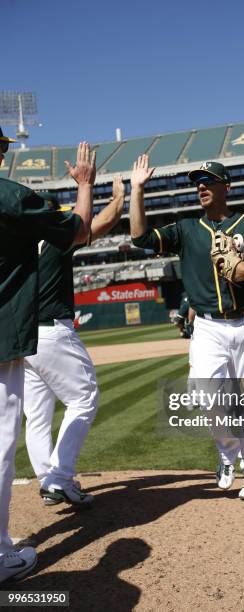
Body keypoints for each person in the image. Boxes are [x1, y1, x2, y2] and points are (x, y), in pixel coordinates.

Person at [130, 156, 244, 501]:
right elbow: (139, 237)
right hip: (208, 327)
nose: (201, 186)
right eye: (197, 182)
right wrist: (138, 189)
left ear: (226, 187)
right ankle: (228, 451)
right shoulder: (186, 230)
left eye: (208, 180)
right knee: (205, 395)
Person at [0, 133, 93, 584]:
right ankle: (0, 555)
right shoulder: (10, 197)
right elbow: (79, 229)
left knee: (31, 423)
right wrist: (85, 185)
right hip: (5, 337)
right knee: (1, 443)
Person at [23, 176, 125, 507]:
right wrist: (119, 198)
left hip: (21, 339)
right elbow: (102, 222)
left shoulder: (13, 245)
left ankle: (48, 479)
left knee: (37, 415)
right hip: (52, 330)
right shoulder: (55, 239)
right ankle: (59, 478)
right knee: (84, 398)